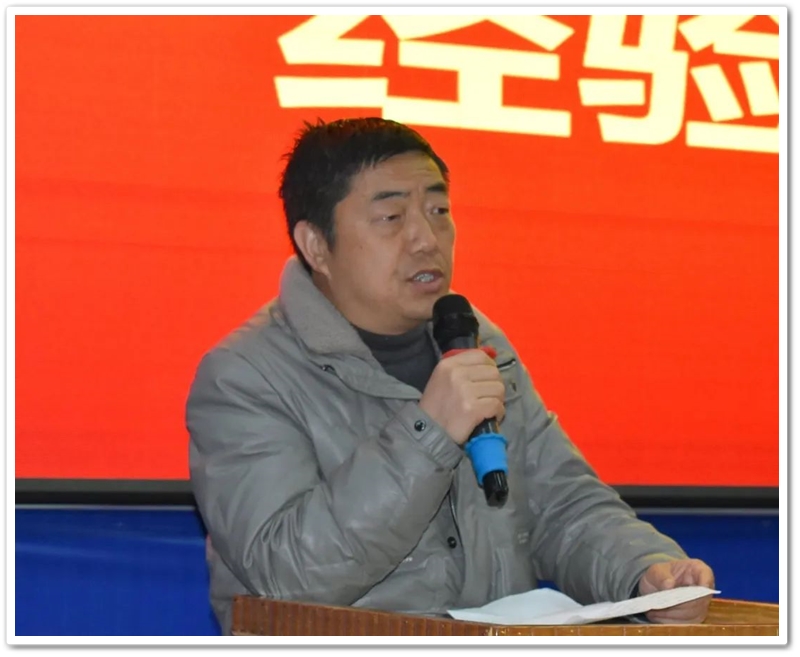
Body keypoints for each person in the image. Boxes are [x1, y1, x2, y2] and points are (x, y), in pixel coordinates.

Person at [186, 117, 715, 635]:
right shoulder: (244, 378)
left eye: (438, 211)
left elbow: (560, 505)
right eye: (391, 217)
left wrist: (645, 572)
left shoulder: (474, 342)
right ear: (316, 245)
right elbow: (288, 574)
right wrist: (429, 432)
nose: (426, 239)